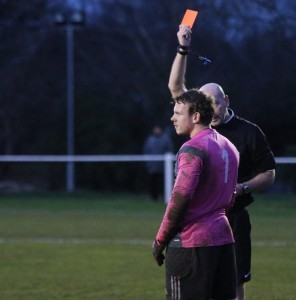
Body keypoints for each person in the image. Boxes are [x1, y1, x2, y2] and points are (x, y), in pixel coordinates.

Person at [168, 25, 276, 300]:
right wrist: (183, 49)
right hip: (200, 220)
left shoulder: (248, 132)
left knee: (235, 284)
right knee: (201, 286)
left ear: (226, 100)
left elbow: (269, 173)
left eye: (215, 103)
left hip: (233, 217)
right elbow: (175, 87)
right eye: (205, 104)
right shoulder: (200, 127)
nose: (211, 110)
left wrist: (242, 188)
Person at [152, 89, 240, 299]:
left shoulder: (192, 149)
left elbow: (180, 197)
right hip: (224, 239)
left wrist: (160, 240)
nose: (172, 118)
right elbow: (231, 196)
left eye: (178, 113)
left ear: (196, 116)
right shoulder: (229, 147)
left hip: (192, 242)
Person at [143, 125, 173, 201]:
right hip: (152, 166)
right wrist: (148, 163)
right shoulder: (150, 139)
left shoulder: (165, 139)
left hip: (163, 166)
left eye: (158, 129)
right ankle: (154, 198)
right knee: (153, 183)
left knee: (163, 183)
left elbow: (169, 150)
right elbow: (146, 151)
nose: (157, 130)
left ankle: (165, 198)